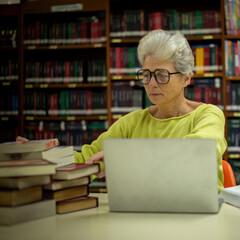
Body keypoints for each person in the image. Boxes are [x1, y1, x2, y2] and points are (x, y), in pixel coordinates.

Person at [16, 29, 227, 192]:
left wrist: (122, 160)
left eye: (162, 75)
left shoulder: (208, 115)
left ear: (186, 78)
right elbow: (86, 159)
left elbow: (197, 153)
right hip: (142, 216)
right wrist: (42, 159)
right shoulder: (132, 122)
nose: (152, 83)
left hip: (201, 219)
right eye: (146, 74)